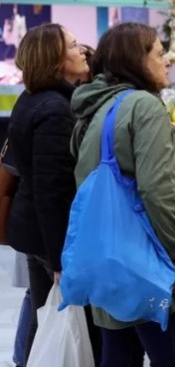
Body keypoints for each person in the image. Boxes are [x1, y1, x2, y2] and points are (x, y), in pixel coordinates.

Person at [71, 22, 175, 367]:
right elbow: (157, 187)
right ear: (136, 59)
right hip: (148, 264)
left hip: (111, 261)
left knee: (119, 358)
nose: (167, 62)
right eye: (160, 54)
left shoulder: (97, 110)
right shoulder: (143, 106)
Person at [4, 23, 95, 365]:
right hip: (47, 237)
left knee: (44, 313)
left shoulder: (35, 99)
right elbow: (52, 192)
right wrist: (61, 261)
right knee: (52, 319)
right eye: (73, 46)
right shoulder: (56, 110)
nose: (81, 51)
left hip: (33, 230)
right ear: (57, 61)